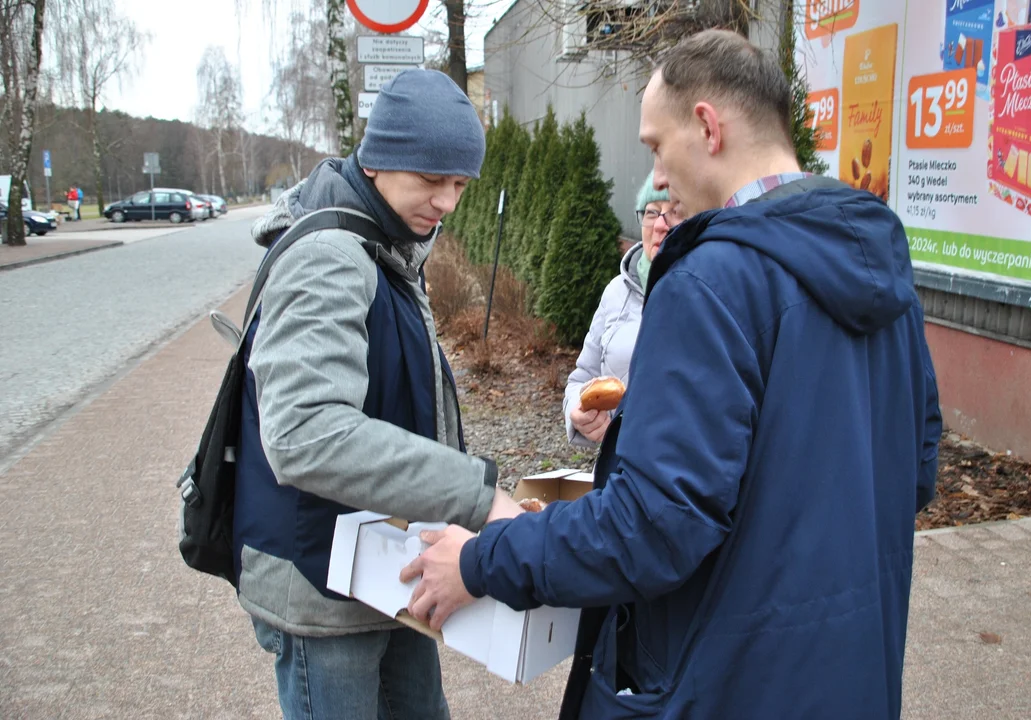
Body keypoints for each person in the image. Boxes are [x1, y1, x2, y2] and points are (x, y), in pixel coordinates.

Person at [401, 29, 942, 720]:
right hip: (854, 679)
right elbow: (911, 475)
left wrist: (481, 560)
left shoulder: (712, 278)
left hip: (725, 684)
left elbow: (653, 529)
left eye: (656, 145)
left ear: (708, 127)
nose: (655, 176)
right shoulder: (880, 271)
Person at [233, 69, 521, 720]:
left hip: (378, 570)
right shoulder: (331, 253)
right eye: (431, 180)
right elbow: (306, 436)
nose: (447, 202)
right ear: (380, 160)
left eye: (460, 183)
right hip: (319, 586)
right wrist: (478, 495)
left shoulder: (387, 242)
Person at [563, 171, 682, 447]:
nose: (660, 225)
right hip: (616, 470)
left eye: (674, 212)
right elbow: (581, 379)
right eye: (652, 212)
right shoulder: (618, 291)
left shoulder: (708, 293)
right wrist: (576, 413)